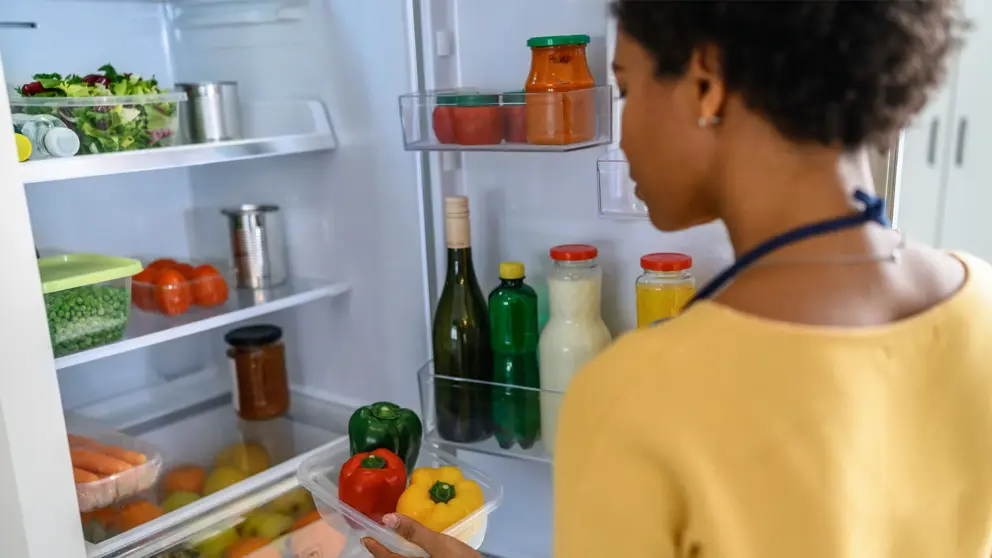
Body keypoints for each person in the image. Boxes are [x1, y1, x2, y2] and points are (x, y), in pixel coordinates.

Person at [366, 1, 992, 557]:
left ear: (706, 83)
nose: (623, 128)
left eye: (627, 89)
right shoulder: (980, 303)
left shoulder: (636, 395)